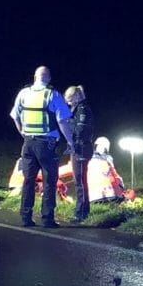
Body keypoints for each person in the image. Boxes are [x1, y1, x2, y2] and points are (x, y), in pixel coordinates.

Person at [9, 66, 74, 228]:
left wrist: (23, 132)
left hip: (28, 143)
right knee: (49, 182)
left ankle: (25, 217)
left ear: (35, 77)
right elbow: (62, 121)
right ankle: (47, 219)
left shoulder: (23, 93)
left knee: (28, 181)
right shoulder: (53, 94)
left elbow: (15, 116)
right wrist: (71, 142)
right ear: (49, 78)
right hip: (47, 144)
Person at [64, 85, 94, 222]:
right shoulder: (78, 108)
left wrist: (67, 129)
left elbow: (79, 131)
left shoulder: (82, 110)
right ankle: (84, 209)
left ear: (76, 96)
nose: (68, 102)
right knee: (79, 181)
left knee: (80, 182)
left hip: (81, 149)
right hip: (78, 148)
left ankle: (80, 213)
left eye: (69, 99)